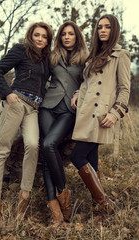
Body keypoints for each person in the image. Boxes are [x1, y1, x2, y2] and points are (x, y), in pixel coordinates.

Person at [0, 22, 53, 223]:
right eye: (36, 35)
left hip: (33, 108)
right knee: (2, 150)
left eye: (44, 36)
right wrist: (7, 94)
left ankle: (23, 197)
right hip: (15, 103)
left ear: (48, 40)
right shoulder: (20, 50)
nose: (40, 39)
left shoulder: (47, 58)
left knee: (33, 146)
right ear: (30, 35)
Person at [70, 14, 131, 215]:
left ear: (114, 30)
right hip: (85, 112)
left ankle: (106, 204)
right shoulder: (94, 55)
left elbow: (124, 88)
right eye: (100, 27)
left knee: (78, 156)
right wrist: (78, 92)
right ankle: (101, 207)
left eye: (107, 27)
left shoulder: (120, 55)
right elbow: (86, 82)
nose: (103, 30)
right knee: (91, 158)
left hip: (101, 113)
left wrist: (116, 112)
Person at [39, 21, 88, 225]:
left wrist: (79, 92)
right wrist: (20, 81)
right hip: (48, 107)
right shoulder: (52, 57)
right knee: (48, 151)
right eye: (63, 34)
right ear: (59, 37)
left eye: (71, 34)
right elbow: (40, 75)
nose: (67, 37)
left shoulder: (86, 58)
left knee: (49, 145)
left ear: (77, 36)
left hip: (69, 110)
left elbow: (89, 81)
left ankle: (62, 192)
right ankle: (55, 210)